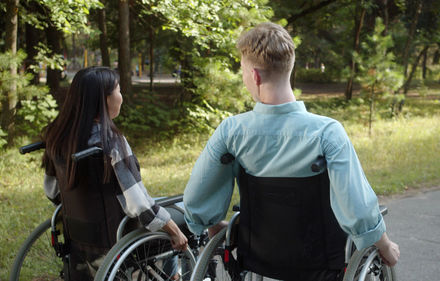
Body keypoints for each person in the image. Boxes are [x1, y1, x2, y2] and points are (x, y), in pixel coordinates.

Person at [183, 22, 400, 279]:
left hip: (259, 260)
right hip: (323, 263)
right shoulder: (327, 133)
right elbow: (358, 208)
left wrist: (210, 225)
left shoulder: (232, 132)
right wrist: (384, 244)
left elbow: (197, 199)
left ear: (255, 75)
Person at [42, 66, 187, 280]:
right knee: (184, 210)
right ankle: (174, 276)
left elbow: (53, 192)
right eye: (118, 90)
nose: (122, 96)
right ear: (104, 99)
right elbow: (139, 205)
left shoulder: (58, 138)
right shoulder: (111, 142)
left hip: (80, 236)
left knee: (162, 206)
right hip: (118, 234)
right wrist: (174, 230)